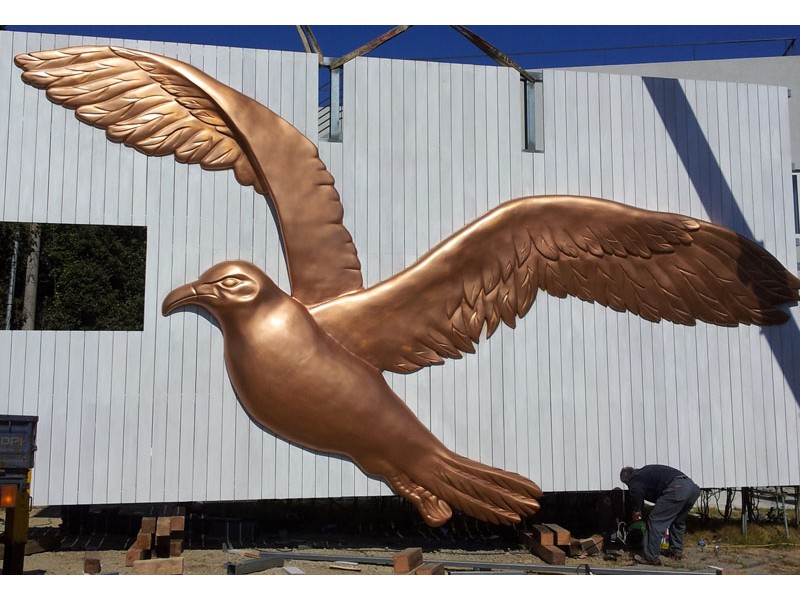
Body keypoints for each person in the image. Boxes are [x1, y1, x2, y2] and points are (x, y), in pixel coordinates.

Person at [619, 464, 701, 566]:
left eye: (626, 484)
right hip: (692, 488)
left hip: (677, 488)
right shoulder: (645, 472)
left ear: (627, 478)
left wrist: (637, 510)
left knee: (655, 521)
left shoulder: (635, 478)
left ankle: (651, 557)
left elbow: (637, 492)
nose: (629, 486)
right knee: (677, 521)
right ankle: (676, 551)